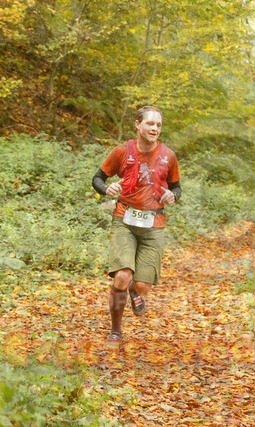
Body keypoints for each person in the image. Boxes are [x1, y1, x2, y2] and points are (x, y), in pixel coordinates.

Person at [92, 106, 181, 341]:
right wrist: (107, 189)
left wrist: (173, 196)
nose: (154, 128)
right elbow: (97, 178)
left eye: (158, 125)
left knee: (142, 286)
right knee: (122, 276)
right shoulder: (122, 152)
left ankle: (134, 291)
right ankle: (116, 331)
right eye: (150, 123)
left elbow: (176, 187)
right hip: (124, 219)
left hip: (154, 224)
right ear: (138, 124)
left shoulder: (169, 156)